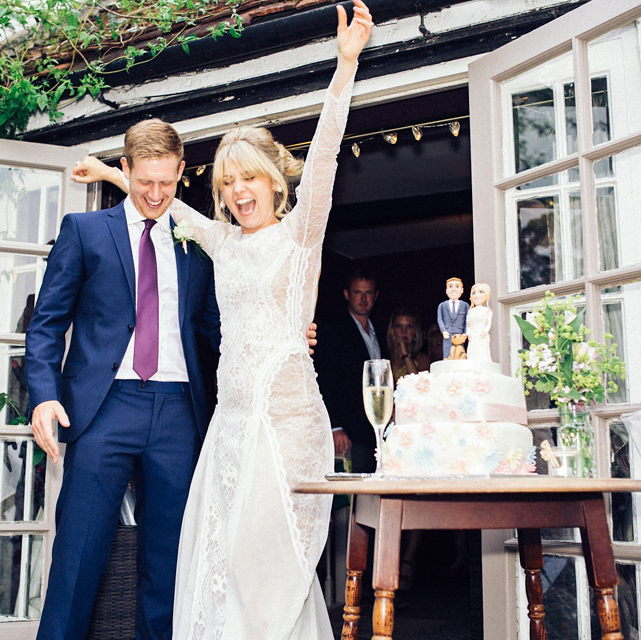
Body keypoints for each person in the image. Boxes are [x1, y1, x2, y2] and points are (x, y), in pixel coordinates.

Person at [164, 4, 371, 636]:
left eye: (248, 178)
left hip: (284, 426)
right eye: (227, 183)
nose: (238, 192)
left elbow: (327, 158)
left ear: (274, 182)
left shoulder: (301, 238)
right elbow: (167, 205)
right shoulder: (224, 244)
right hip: (230, 428)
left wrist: (345, 67)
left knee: (272, 565)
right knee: (223, 566)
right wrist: (119, 177)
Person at [25, 117, 223, 640]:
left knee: (170, 568)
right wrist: (43, 398)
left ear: (182, 171)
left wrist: (283, 336)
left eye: (167, 182)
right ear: (126, 169)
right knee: (78, 561)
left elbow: (218, 330)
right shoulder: (85, 232)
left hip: (179, 412)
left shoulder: (197, 244)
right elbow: (46, 324)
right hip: (103, 409)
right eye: (144, 181)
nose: (156, 194)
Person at [314, 268, 387, 473]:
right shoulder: (333, 330)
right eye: (357, 292)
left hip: (375, 432)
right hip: (349, 434)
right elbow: (325, 380)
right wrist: (335, 427)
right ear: (347, 294)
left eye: (368, 293)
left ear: (376, 296)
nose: (363, 299)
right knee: (355, 499)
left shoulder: (378, 331)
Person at [386, 307, 430, 384]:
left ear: (415, 331)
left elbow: (418, 384)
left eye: (409, 327)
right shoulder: (387, 360)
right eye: (399, 326)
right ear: (393, 331)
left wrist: (406, 356)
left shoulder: (422, 359)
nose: (404, 331)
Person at [437, 276, 469, 359]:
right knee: (447, 352)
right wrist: (443, 330)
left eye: (457, 287)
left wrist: (465, 333)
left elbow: (467, 320)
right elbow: (440, 319)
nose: (453, 289)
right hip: (448, 333)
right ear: (446, 290)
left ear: (462, 290)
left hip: (459, 334)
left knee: (459, 351)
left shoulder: (465, 305)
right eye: (450, 287)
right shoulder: (442, 305)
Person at [466, 282, 493, 362]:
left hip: (482, 335)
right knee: (473, 351)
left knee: (482, 351)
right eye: (474, 293)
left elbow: (488, 323)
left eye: (481, 292)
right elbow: (468, 324)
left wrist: (485, 331)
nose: (477, 295)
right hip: (473, 336)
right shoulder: (470, 311)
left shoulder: (487, 311)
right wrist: (469, 333)